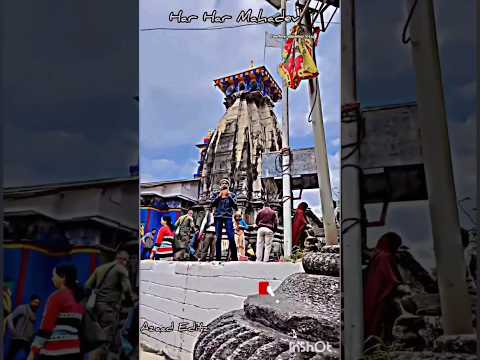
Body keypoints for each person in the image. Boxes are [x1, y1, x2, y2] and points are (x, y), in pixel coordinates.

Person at [85, 250, 136, 360]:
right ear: (122, 259)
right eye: (126, 260)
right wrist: (132, 301)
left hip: (96, 308)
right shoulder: (121, 269)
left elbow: (88, 286)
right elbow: (127, 289)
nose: (126, 263)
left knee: (99, 338)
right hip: (110, 309)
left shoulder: (100, 269)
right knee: (105, 341)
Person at [27, 264, 85, 360]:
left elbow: (46, 328)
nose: (52, 278)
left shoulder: (56, 297)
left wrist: (33, 351)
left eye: (54, 275)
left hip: (54, 351)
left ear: (62, 277)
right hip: (75, 350)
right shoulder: (79, 299)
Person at [363, 232, 402, 341]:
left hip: (371, 294)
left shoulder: (378, 255)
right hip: (378, 295)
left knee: (372, 321)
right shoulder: (385, 256)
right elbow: (392, 279)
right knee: (376, 322)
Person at [6, 295, 41, 360]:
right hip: (18, 338)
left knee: (31, 356)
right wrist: (12, 329)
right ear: (31, 302)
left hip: (27, 340)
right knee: (11, 356)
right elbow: (9, 317)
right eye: (35, 302)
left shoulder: (34, 313)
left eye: (38, 303)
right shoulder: (23, 308)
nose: (36, 304)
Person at [211, 178, 238, 261]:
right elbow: (212, 204)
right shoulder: (216, 194)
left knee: (231, 237)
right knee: (218, 237)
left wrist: (229, 196)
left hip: (228, 217)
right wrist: (219, 196)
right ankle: (218, 258)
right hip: (218, 217)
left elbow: (235, 206)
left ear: (228, 186)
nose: (224, 184)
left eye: (226, 183)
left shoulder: (232, 195)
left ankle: (234, 257)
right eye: (222, 183)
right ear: (220, 185)